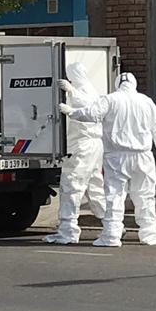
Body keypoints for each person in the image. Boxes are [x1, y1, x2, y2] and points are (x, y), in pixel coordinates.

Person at [61, 72, 156, 248]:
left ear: (117, 84)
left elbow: (91, 114)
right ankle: (149, 234)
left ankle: (111, 236)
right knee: (145, 196)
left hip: (117, 157)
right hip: (143, 156)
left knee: (115, 196)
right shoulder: (146, 101)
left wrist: (71, 112)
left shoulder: (110, 100)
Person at [45, 62, 106, 245]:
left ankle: (68, 230)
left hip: (83, 146)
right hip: (93, 146)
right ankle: (113, 224)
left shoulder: (83, 91)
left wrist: (71, 93)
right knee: (95, 188)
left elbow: (86, 109)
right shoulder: (90, 89)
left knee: (71, 186)